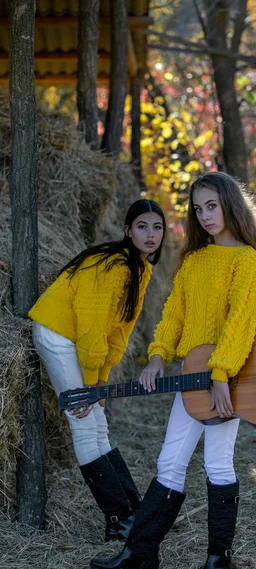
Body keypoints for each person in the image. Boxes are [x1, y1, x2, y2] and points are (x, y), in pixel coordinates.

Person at [89, 172, 256, 569]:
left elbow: (240, 322)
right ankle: (140, 553)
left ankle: (219, 560)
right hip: (192, 374)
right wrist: (157, 355)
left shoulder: (246, 259)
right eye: (199, 208)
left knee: (217, 462)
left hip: (227, 379)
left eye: (212, 205)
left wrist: (220, 374)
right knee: (169, 462)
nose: (206, 215)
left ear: (230, 204)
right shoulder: (194, 260)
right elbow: (174, 313)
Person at [29, 199, 166, 542]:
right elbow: (92, 328)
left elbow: (118, 332)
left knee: (99, 425)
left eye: (157, 227)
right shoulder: (115, 266)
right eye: (142, 227)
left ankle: (134, 511)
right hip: (59, 335)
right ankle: (119, 520)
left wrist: (101, 381)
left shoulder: (140, 268)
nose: (151, 235)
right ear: (127, 230)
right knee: (83, 422)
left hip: (80, 340)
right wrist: (90, 385)